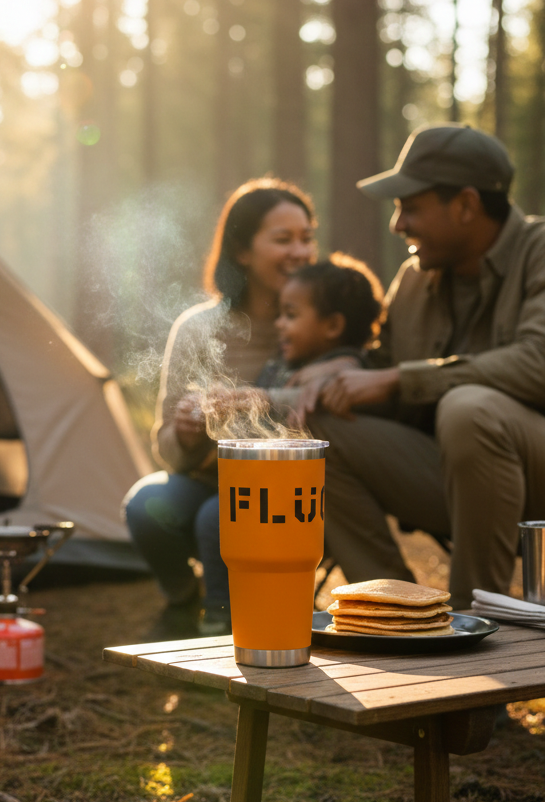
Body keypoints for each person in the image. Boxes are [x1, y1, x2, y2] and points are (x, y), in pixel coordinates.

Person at [301, 123, 545, 610]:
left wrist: (398, 378)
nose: (398, 225)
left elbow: (538, 362)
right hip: (458, 474)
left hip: (532, 471)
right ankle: (403, 616)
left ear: (466, 205)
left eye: (410, 207)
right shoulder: (415, 278)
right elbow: (379, 371)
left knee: (468, 409)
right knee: (323, 428)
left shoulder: (540, 250)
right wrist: (336, 374)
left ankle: (475, 622)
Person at [123, 178, 317, 639]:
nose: (300, 251)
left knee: (221, 515)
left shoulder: (319, 326)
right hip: (209, 483)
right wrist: (186, 434)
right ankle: (181, 600)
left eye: (307, 238)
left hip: (295, 496)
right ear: (242, 250)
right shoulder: (197, 329)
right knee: (147, 506)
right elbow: (165, 447)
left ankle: (224, 627)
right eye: (283, 239)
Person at [257, 253, 385, 393]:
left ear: (333, 326)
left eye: (290, 315)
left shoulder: (343, 381)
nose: (279, 324)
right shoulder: (280, 366)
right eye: (280, 315)